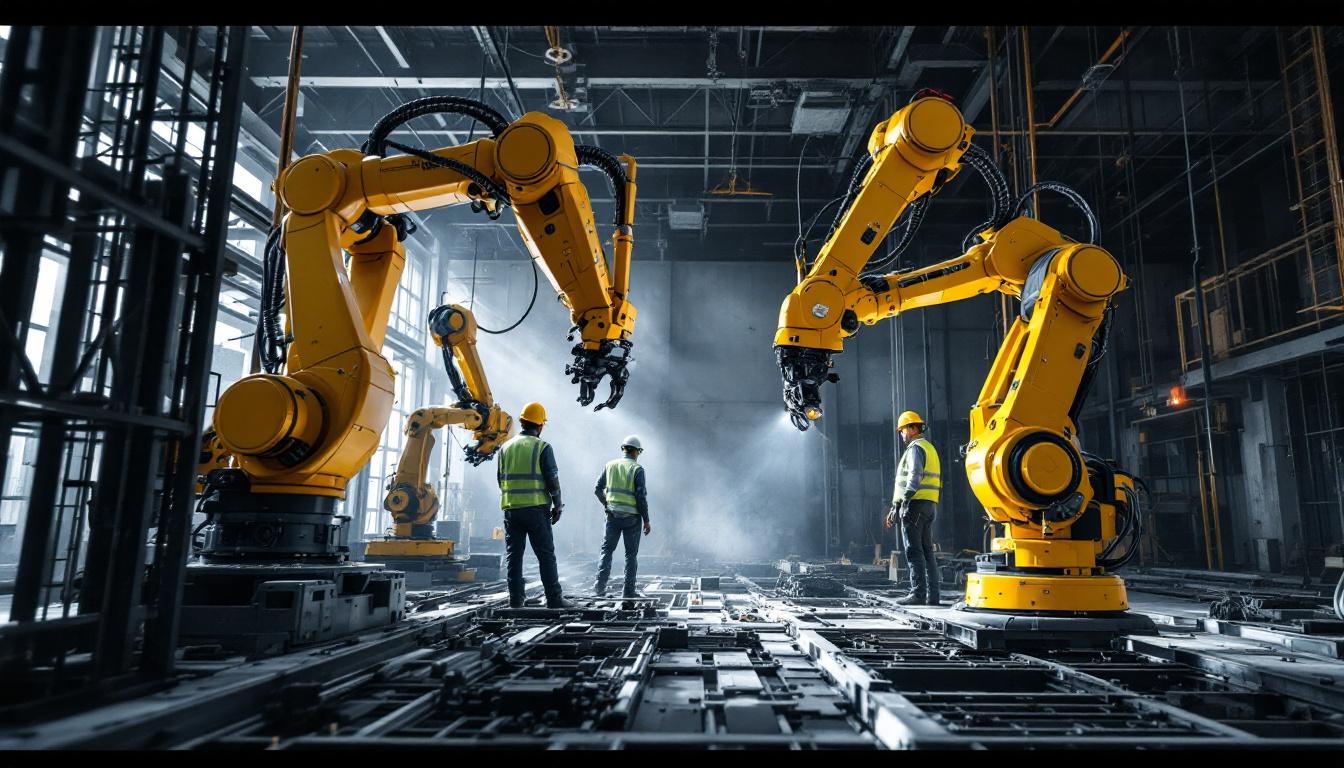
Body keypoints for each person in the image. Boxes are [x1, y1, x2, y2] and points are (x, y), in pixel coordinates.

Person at [496, 401, 571, 609]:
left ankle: (515, 600)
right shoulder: (542, 447)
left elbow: (500, 480)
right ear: (540, 426)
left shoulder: (505, 448)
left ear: (522, 422)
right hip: (537, 509)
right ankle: (554, 599)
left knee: (514, 555)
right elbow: (552, 480)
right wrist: (558, 505)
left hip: (511, 509)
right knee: (546, 554)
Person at [884, 410, 942, 606]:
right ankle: (933, 597)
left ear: (913, 428)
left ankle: (917, 594)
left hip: (914, 506)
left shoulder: (915, 449)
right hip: (929, 505)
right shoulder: (930, 448)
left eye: (902, 430)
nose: (901, 434)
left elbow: (914, 476)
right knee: (927, 551)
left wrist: (900, 503)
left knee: (913, 551)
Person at [592, 435, 650, 598]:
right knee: (630, 555)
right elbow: (641, 497)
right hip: (632, 518)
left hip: (612, 516)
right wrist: (646, 520)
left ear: (623, 449)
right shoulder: (637, 469)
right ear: (637, 452)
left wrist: (607, 504)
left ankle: (600, 587)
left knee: (607, 551)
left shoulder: (609, 465)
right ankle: (628, 591)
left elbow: (597, 488)